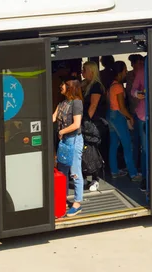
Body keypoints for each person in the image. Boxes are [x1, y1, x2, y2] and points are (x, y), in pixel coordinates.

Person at [53, 80, 84, 217]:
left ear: (70, 88)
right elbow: (53, 117)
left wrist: (61, 132)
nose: (61, 86)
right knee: (62, 171)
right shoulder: (62, 103)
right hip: (65, 141)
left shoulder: (77, 103)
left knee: (75, 171)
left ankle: (77, 203)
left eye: (63, 84)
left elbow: (76, 124)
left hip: (73, 140)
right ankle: (62, 199)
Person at [107, 61, 142, 181]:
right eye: (125, 70)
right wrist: (130, 117)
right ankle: (133, 173)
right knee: (127, 145)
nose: (126, 72)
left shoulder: (111, 85)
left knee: (113, 144)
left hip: (110, 115)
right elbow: (121, 107)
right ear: (120, 72)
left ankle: (114, 171)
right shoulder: (118, 87)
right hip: (118, 116)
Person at [81, 60, 107, 191]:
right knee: (85, 150)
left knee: (93, 150)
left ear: (91, 71)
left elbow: (93, 106)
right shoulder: (86, 85)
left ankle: (95, 178)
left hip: (94, 123)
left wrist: (86, 122)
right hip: (87, 121)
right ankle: (85, 175)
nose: (82, 72)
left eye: (84, 70)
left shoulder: (96, 86)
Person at [130, 55, 147, 191]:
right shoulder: (142, 72)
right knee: (145, 149)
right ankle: (146, 179)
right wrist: (138, 94)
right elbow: (133, 90)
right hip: (143, 115)